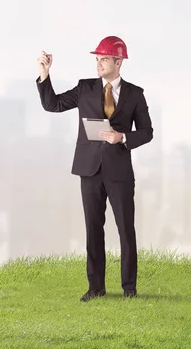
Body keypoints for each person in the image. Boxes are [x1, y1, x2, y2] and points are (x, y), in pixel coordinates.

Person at [35, 36, 153, 302]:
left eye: (104, 59)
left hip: (120, 172)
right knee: (93, 228)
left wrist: (122, 137)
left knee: (125, 229)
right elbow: (52, 104)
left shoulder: (135, 94)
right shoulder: (85, 88)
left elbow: (147, 132)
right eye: (97, 59)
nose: (98, 64)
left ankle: (129, 289)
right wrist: (45, 74)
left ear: (118, 61)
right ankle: (96, 288)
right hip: (89, 170)